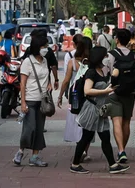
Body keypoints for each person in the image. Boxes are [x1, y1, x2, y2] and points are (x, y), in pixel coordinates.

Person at [70, 46, 130, 174]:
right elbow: (87, 91)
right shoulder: (91, 72)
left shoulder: (101, 71)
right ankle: (75, 164)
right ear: (99, 57)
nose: (106, 58)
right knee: (87, 137)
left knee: (104, 136)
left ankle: (112, 165)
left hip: (100, 109)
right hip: (91, 109)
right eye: (105, 56)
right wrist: (106, 91)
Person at [104, 28, 135, 164]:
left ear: (116, 39)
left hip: (113, 92)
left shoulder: (110, 55)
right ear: (129, 40)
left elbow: (105, 74)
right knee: (126, 122)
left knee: (117, 120)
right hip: (130, 92)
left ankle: (121, 150)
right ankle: (122, 151)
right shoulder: (134, 56)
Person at [15, 35, 52, 167]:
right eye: (44, 47)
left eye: (46, 46)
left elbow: (46, 76)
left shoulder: (45, 61)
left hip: (42, 101)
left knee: (39, 129)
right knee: (29, 128)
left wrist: (49, 84)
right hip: (30, 100)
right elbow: (23, 84)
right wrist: (23, 102)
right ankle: (20, 152)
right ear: (37, 47)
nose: (46, 49)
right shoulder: (27, 62)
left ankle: (35, 156)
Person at [57, 34, 91, 149]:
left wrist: (60, 96)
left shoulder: (72, 62)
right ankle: (85, 149)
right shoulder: (90, 62)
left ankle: (79, 147)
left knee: (77, 120)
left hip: (75, 95)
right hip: (88, 94)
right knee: (87, 121)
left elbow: (66, 81)